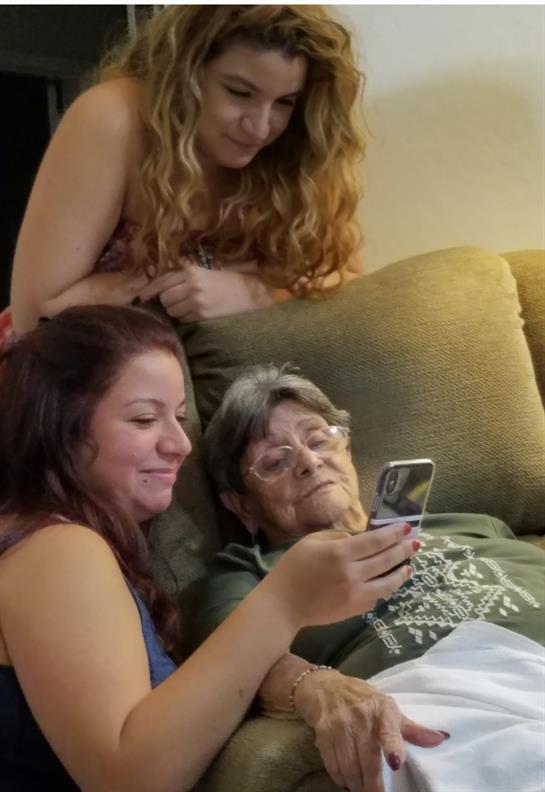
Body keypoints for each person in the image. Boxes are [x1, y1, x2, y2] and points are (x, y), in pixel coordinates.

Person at [0, 305, 433, 791]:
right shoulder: (56, 549)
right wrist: (285, 599)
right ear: (59, 427)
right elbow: (125, 780)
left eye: (179, 418)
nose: (181, 445)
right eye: (144, 419)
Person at [198, 364, 545, 792]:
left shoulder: (474, 523)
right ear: (241, 505)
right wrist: (315, 687)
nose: (309, 462)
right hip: (453, 693)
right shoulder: (249, 571)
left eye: (318, 440)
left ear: (347, 449)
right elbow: (227, 657)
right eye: (275, 462)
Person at [3, 5, 365, 348]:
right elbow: (34, 317)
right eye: (239, 93)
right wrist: (167, 287)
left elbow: (354, 286)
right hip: (78, 372)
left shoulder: (297, 150)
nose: (259, 127)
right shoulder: (113, 117)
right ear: (185, 72)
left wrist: (252, 292)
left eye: (285, 102)